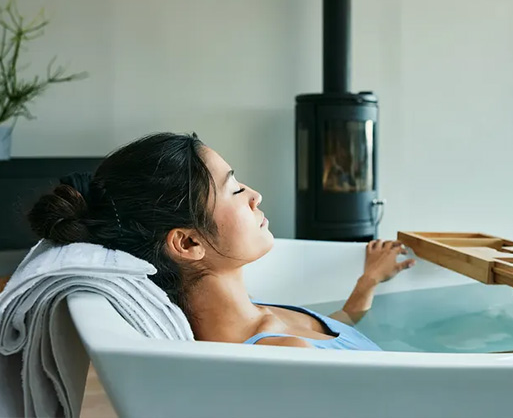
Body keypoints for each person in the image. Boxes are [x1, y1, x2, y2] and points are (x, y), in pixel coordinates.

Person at [27, 132, 415, 350]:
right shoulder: (281, 353)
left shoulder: (261, 317)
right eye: (233, 190)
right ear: (188, 243)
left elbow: (338, 328)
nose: (254, 195)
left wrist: (368, 282)